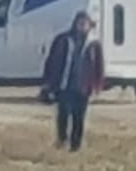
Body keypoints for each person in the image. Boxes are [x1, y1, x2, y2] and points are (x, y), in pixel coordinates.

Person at [41, 11, 105, 152]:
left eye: (85, 24)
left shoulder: (94, 44)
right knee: (63, 114)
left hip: (83, 87)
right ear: (75, 24)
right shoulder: (63, 40)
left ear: (89, 26)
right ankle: (62, 139)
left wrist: (97, 86)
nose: (82, 26)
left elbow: (99, 67)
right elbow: (51, 61)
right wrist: (48, 82)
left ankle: (76, 146)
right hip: (64, 85)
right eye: (80, 23)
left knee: (79, 118)